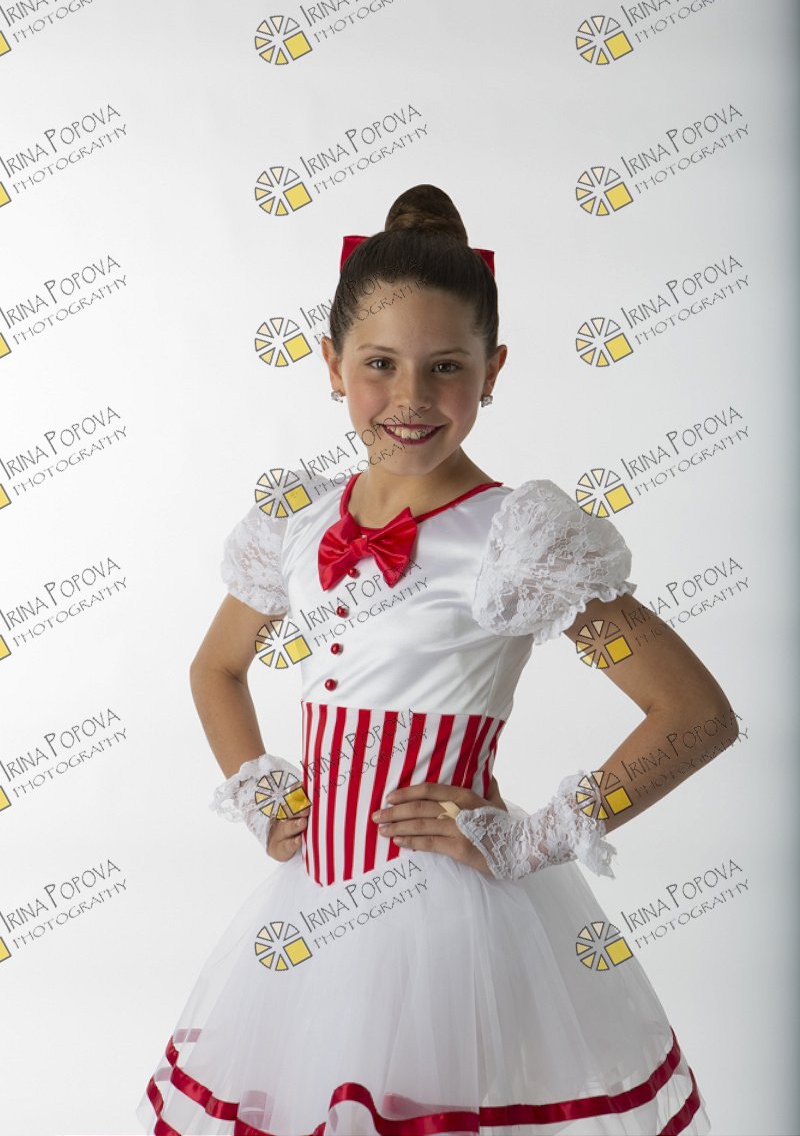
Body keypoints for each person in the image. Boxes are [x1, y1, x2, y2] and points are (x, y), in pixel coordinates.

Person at [135, 184, 724, 1134]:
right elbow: (216, 668)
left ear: (493, 372)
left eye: (445, 366)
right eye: (380, 364)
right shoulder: (296, 523)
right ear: (332, 365)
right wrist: (260, 789)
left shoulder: (518, 539)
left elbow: (694, 715)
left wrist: (533, 837)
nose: (410, 398)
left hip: (449, 925)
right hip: (312, 909)